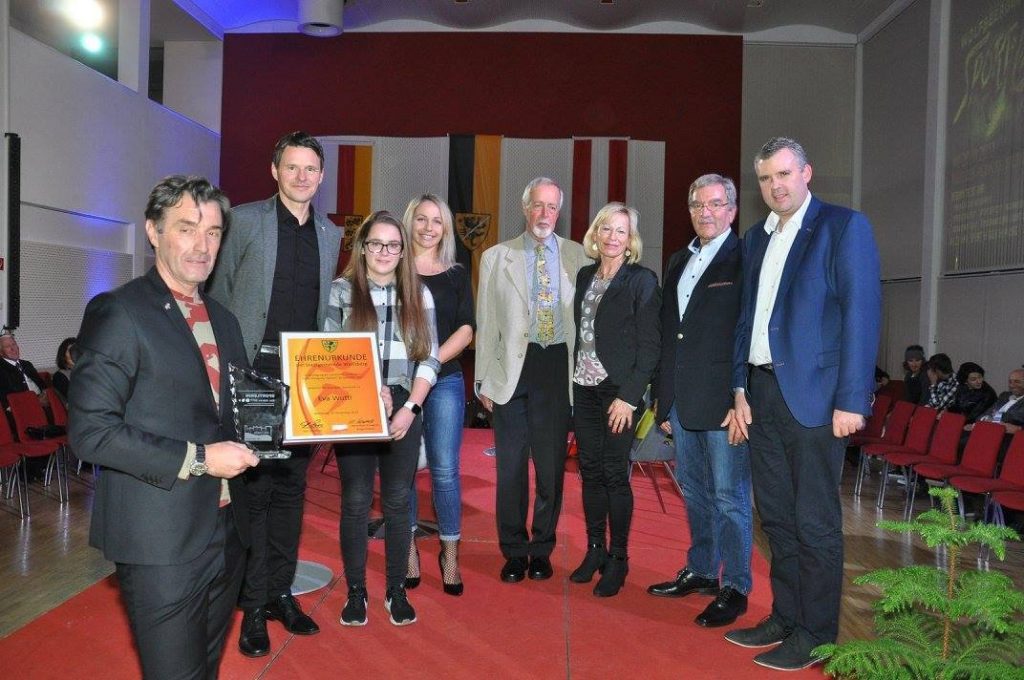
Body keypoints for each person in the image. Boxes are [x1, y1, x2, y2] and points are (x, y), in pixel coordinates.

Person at [68, 175, 260, 678]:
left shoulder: (224, 319)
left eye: (213, 232)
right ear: (153, 231)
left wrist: (319, 414)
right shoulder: (120, 311)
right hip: (159, 540)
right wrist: (199, 458)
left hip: (227, 529)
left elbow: (238, 413)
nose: (203, 245)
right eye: (187, 228)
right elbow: (91, 432)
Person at [727, 137, 881, 671]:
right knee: (775, 517)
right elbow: (746, 321)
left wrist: (852, 399)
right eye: (766, 178)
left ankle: (816, 635)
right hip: (762, 395)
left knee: (814, 522)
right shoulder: (756, 237)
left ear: (807, 173)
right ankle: (786, 618)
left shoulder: (842, 227)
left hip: (817, 399)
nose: (776, 186)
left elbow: (862, 314)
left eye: (785, 174)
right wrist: (739, 388)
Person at [207, 131, 341, 656]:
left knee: (291, 490)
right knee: (255, 492)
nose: (301, 176)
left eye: (310, 169)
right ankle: (253, 606)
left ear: (321, 176)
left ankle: (282, 593)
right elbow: (218, 296)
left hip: (304, 376)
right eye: (292, 167)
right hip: (253, 374)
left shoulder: (330, 234)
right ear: (274, 170)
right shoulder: (243, 221)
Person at [647, 174, 752, 627]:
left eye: (714, 204)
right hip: (682, 404)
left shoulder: (745, 259)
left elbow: (747, 333)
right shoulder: (678, 259)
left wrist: (740, 394)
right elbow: (669, 333)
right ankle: (704, 570)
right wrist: (663, 400)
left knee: (730, 498)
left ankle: (737, 586)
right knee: (694, 492)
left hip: (725, 405)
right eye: (697, 205)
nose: (705, 212)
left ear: (732, 210)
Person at [327, 210, 440, 627]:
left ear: (403, 250)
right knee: (356, 501)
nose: (384, 252)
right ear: (362, 247)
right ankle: (356, 592)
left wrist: (410, 408)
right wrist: (364, 390)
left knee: (396, 500)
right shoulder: (340, 291)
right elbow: (327, 353)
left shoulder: (419, 294)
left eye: (393, 245)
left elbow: (430, 358)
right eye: (376, 243)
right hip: (354, 404)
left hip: (405, 406)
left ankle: (395, 590)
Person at [475, 177, 590, 583]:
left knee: (550, 468)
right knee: (509, 468)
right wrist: (482, 379)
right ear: (525, 208)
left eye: (552, 207)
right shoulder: (496, 257)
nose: (544, 214)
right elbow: (486, 323)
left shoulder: (580, 256)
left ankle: (541, 548)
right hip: (510, 370)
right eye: (537, 206)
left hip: (556, 369)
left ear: (560, 212)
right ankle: (514, 550)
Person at [568, 202, 660, 597]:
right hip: (584, 388)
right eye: (606, 228)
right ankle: (595, 550)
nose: (612, 237)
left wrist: (628, 397)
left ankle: (619, 558)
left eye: (621, 231)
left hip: (619, 393)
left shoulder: (641, 280)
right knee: (589, 470)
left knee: (614, 473)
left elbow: (651, 346)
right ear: (596, 233)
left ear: (631, 239)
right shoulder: (585, 275)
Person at [402, 194, 474, 596]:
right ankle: (409, 548)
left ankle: (450, 554)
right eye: (421, 219)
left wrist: (431, 362)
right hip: (400, 382)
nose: (428, 228)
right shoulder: (393, 268)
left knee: (445, 470)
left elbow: (466, 329)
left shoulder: (456, 273)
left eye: (436, 221)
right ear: (409, 222)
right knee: (404, 470)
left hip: (444, 379)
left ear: (445, 228)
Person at [968, 368, 1024, 435]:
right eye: (1010, 382)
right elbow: (985, 414)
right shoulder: (1004, 395)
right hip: (985, 429)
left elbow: (1015, 417)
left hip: (1005, 435)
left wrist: (995, 417)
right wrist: (985, 419)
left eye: (1017, 382)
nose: (1011, 385)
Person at [0, 332, 47, 405]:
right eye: (7, 346)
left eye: (14, 344)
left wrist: (45, 395)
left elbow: (42, 385)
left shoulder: (27, 364)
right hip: (23, 405)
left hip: (42, 401)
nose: (13, 349)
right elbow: (5, 398)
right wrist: (35, 401)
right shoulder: (1, 369)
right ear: (1, 352)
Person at [52, 337, 77, 403]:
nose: (74, 354)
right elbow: (74, 398)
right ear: (63, 354)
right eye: (70, 351)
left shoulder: (89, 370)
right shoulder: (59, 376)